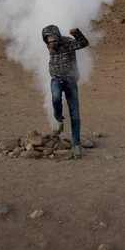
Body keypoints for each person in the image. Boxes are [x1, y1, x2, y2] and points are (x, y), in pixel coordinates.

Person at [41, 24, 89, 159]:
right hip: (56, 79)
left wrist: (77, 33)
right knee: (56, 97)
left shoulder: (68, 43)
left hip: (70, 81)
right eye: (49, 42)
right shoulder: (49, 45)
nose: (52, 44)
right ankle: (58, 120)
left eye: (54, 41)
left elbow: (84, 43)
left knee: (75, 114)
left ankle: (76, 144)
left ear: (58, 37)